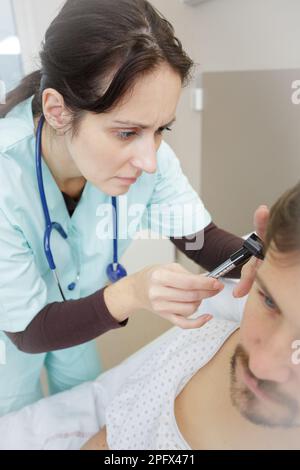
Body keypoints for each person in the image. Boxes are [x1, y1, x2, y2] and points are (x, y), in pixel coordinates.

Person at [0, 0, 267, 416]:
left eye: (162, 129)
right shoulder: (5, 175)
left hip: (79, 323)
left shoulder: (148, 159)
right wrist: (132, 293)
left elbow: (200, 239)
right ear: (57, 110)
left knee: (81, 413)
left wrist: (267, 259)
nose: (150, 160)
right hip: (11, 341)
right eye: (127, 132)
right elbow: (30, 329)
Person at [82, 182, 300, 450]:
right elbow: (110, 443)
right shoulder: (202, 343)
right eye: (268, 301)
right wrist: (129, 293)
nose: (260, 365)